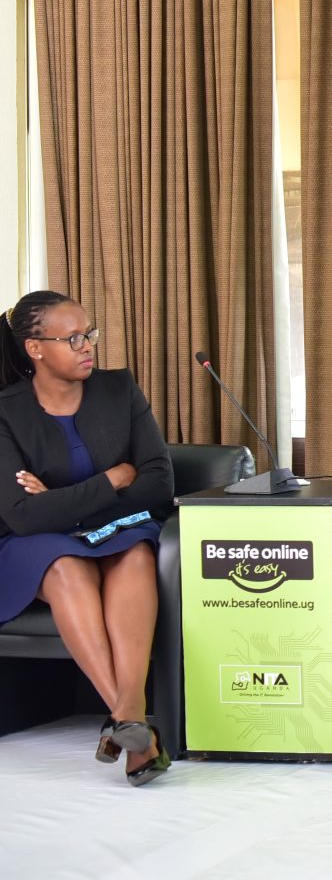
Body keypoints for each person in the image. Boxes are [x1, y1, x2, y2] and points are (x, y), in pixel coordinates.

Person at [0, 291, 175, 785]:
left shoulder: (119, 390)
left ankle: (127, 720)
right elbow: (22, 516)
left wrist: (60, 498)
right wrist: (112, 479)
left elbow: (158, 482)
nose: (87, 347)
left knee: (136, 554)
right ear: (35, 348)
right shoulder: (6, 412)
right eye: (72, 338)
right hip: (39, 543)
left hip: (120, 528)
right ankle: (132, 721)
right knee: (64, 567)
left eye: (89, 334)